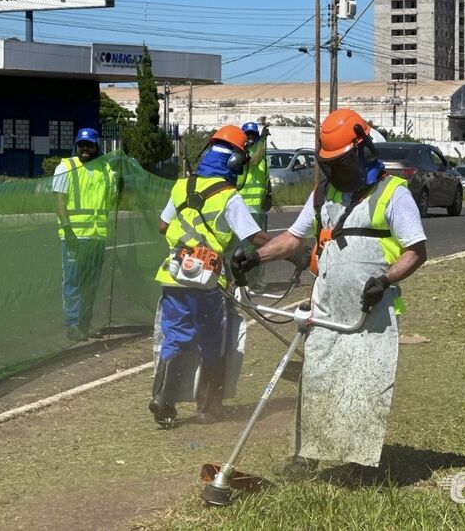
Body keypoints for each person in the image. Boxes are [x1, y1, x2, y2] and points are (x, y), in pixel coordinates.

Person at [232, 108, 428, 477]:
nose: (334, 170)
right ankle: (305, 457)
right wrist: (256, 257)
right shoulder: (324, 194)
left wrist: (384, 281)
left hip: (370, 311)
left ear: (362, 151)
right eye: (329, 163)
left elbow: (416, 251)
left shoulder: (393, 194)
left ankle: (359, 464)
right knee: (316, 379)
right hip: (325, 307)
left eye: (340, 162)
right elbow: (292, 239)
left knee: (363, 385)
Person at [150, 125, 271, 427]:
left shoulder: (182, 186)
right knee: (211, 341)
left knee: (175, 336)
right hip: (207, 278)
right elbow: (253, 236)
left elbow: (163, 227)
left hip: (173, 273)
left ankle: (162, 399)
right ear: (235, 163)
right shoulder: (228, 196)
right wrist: (289, 248)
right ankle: (208, 407)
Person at [53, 127, 118, 342]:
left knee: (91, 283)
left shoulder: (106, 170)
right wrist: (68, 228)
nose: (85, 149)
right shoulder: (66, 166)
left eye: (89, 145)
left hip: (96, 236)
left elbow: (111, 199)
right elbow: (59, 199)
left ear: (96, 146)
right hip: (74, 236)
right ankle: (72, 324)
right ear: (76, 145)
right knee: (72, 281)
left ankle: (84, 323)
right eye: (81, 145)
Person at [238, 122, 272, 231]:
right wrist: (261, 140)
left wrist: (269, 194)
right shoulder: (242, 153)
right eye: (248, 135)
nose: (251, 137)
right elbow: (253, 160)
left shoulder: (261, 154)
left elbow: (266, 177)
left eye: (253, 135)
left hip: (258, 207)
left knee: (257, 243)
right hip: (243, 205)